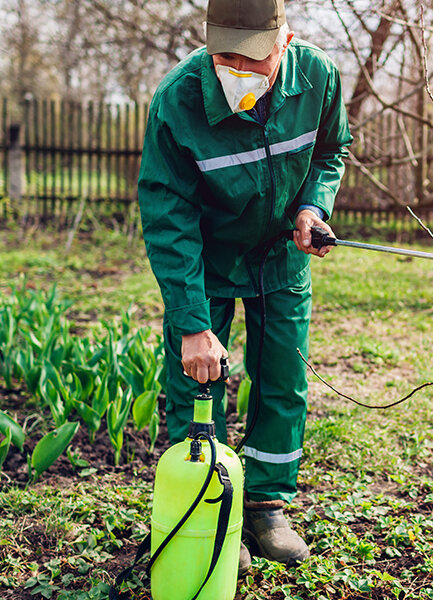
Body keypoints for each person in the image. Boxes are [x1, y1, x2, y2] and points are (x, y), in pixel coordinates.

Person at [137, 0, 352, 574]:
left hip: (281, 257)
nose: (235, 66)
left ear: (286, 40)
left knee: (282, 380)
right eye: (223, 52)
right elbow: (167, 216)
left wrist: (312, 206)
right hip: (205, 262)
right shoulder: (178, 101)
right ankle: (209, 510)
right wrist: (192, 324)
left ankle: (265, 505)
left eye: (251, 56)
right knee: (197, 385)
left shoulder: (319, 79)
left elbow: (331, 151)